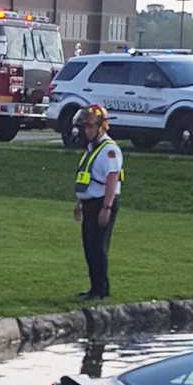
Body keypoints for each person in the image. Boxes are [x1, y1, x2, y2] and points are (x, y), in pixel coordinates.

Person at [73, 105, 124, 301]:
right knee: (89, 246)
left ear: (101, 127)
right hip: (90, 202)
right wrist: (79, 203)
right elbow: (86, 177)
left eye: (90, 127)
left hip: (102, 202)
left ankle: (101, 289)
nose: (86, 131)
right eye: (85, 127)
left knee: (98, 246)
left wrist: (106, 207)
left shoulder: (109, 150)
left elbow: (112, 178)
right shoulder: (92, 148)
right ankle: (94, 287)